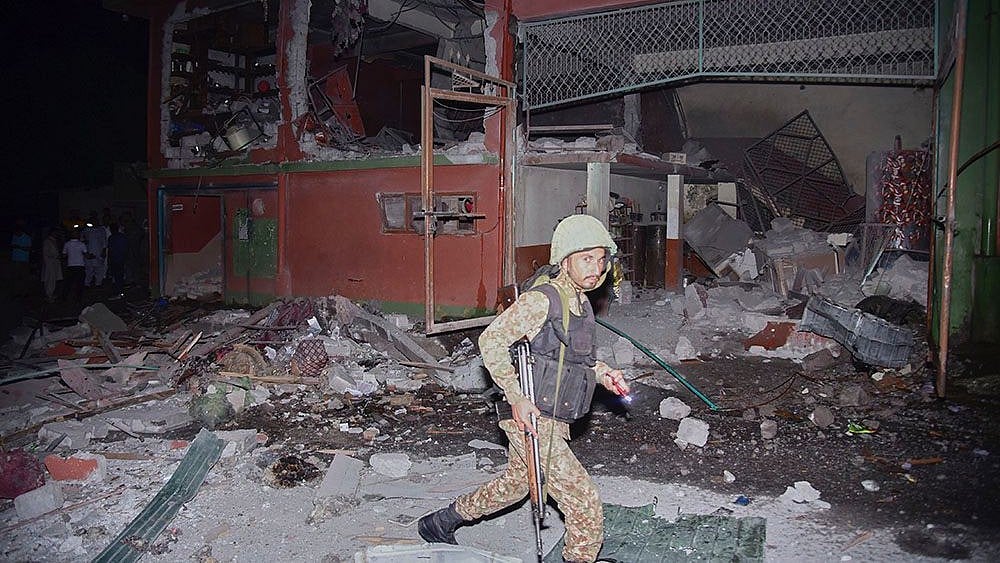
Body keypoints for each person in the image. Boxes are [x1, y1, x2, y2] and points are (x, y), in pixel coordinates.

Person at [418, 214, 629, 563]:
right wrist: (516, 397)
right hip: (533, 416)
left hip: (553, 415)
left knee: (517, 484)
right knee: (583, 500)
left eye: (600, 258)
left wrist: (605, 374)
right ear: (565, 260)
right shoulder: (543, 300)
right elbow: (492, 340)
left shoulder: (581, 301)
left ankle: (440, 523)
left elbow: (575, 360)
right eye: (586, 259)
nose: (595, 267)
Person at [81, 212, 108, 287]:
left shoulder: (101, 230)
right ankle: (87, 284)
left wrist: (104, 251)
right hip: (89, 253)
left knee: (99, 268)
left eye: (96, 220)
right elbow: (81, 240)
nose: (94, 222)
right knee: (88, 269)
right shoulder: (86, 230)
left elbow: (104, 241)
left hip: (99, 252)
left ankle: (98, 283)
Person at [62, 229, 87, 302]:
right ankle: (78, 298)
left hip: (71, 266)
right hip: (80, 266)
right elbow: (86, 254)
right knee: (79, 283)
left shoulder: (67, 244)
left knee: (68, 283)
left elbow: (64, 255)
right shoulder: (82, 244)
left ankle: (64, 297)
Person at [10, 219, 32, 297]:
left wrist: (19, 247)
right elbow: (12, 245)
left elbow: (28, 249)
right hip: (15, 259)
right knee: (15, 277)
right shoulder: (14, 236)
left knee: (24, 277)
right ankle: (17, 292)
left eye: (17, 232)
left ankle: (25, 292)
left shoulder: (27, 237)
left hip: (24, 260)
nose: (16, 234)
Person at [41, 228, 63, 303]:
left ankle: (51, 294)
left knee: (53, 279)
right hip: (50, 263)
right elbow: (46, 253)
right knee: (50, 279)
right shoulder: (47, 241)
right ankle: (49, 295)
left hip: (54, 263)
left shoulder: (54, 241)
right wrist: (55, 256)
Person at [107, 223, 128, 296]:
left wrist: (109, 260)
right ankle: (120, 290)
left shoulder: (111, 238)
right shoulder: (122, 237)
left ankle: (119, 291)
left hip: (115, 259)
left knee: (117, 275)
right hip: (121, 258)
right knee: (120, 275)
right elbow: (126, 248)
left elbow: (110, 250)